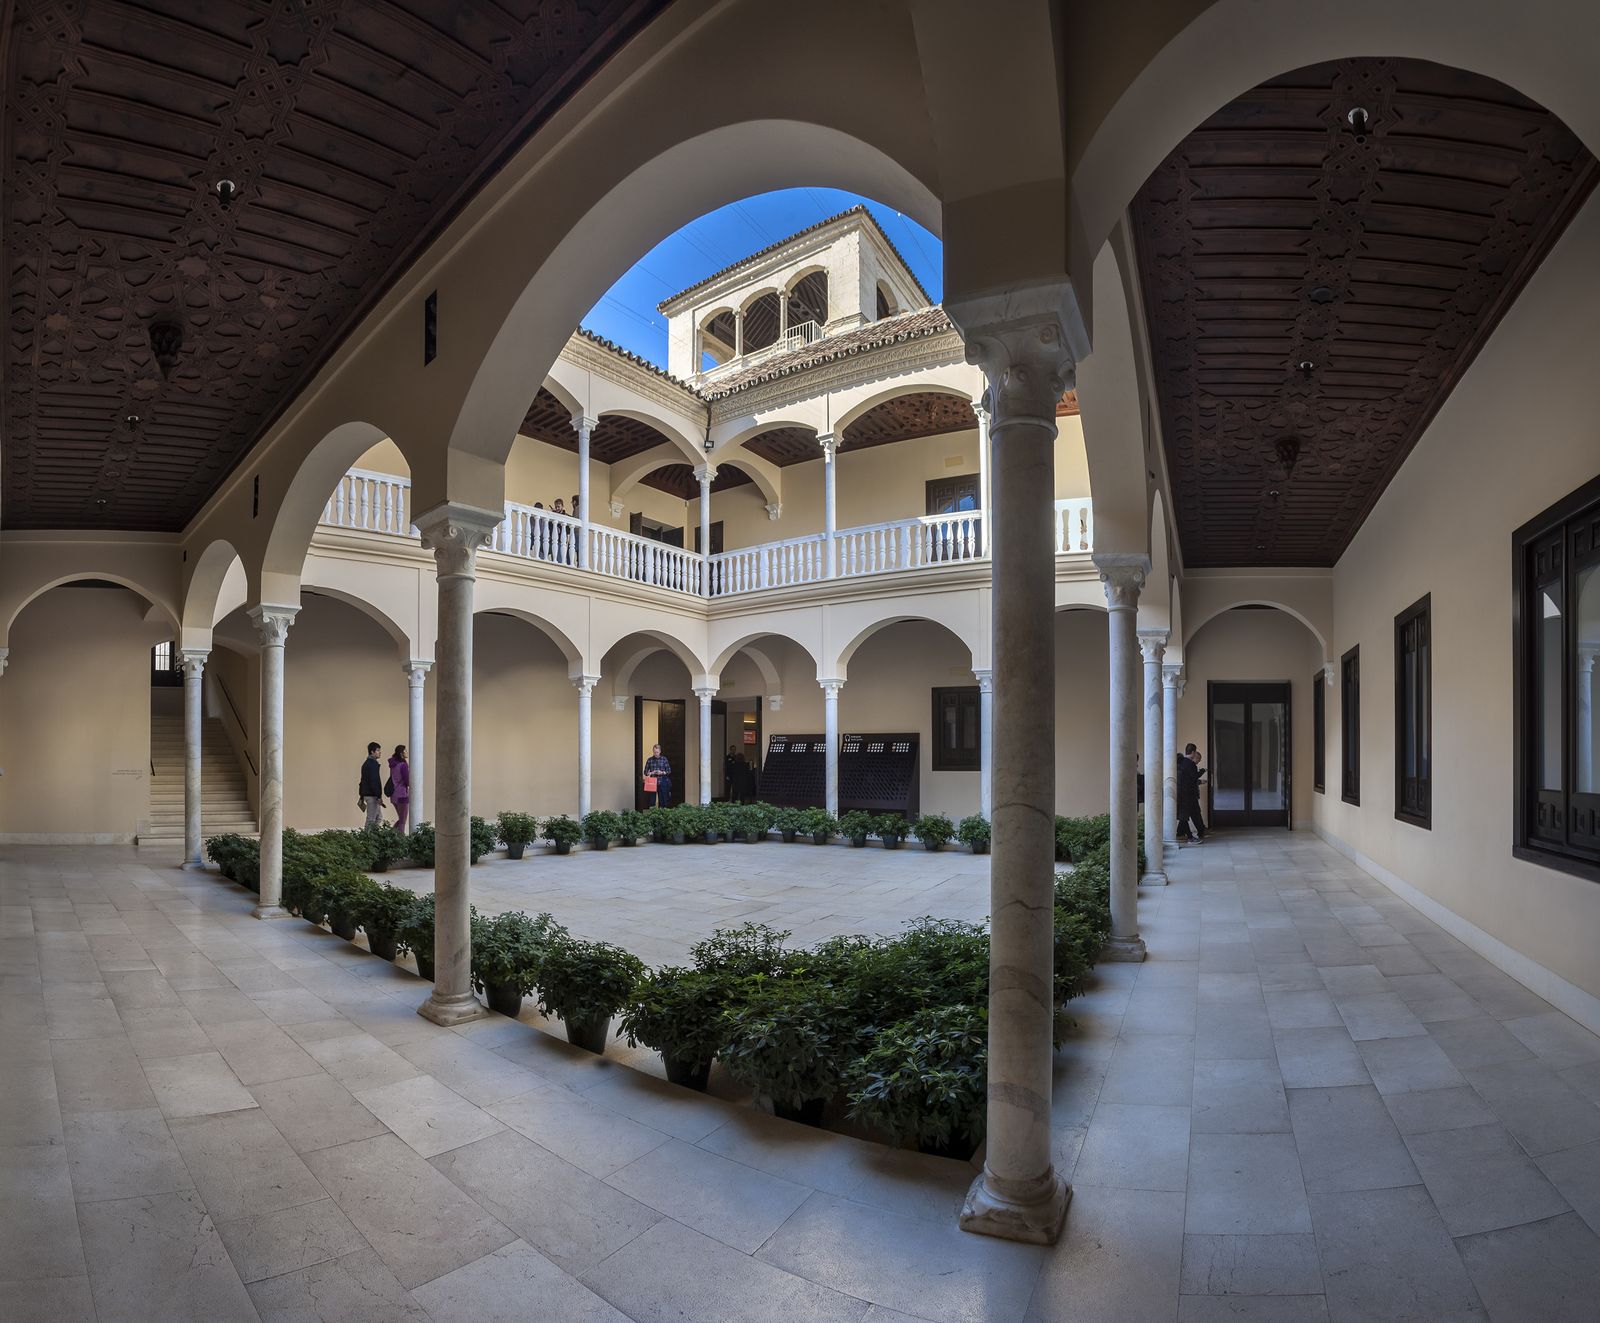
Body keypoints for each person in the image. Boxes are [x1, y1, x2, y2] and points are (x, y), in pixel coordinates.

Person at [1176, 742, 1206, 843]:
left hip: (1181, 793)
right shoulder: (1190, 764)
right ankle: (1190, 837)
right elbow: (1193, 778)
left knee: (1184, 816)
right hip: (1188, 795)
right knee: (1186, 816)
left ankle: (1183, 834)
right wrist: (1201, 772)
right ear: (1193, 752)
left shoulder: (1181, 762)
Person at [358, 741, 384, 826]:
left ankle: (373, 837)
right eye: (377, 750)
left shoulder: (367, 763)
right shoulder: (372, 764)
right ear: (372, 752)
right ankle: (367, 837)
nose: (380, 752)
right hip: (372, 795)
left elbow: (363, 781)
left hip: (369, 794)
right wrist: (379, 796)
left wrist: (361, 796)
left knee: (378, 817)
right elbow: (374, 781)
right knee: (371, 819)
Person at [386, 744, 410, 834]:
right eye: (405, 751)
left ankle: (391, 835)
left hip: (394, 795)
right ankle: (401, 840)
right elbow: (407, 781)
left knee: (401, 819)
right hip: (402, 795)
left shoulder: (393, 765)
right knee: (403, 821)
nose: (407, 752)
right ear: (401, 753)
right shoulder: (403, 765)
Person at [643, 743, 673, 808]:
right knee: (652, 801)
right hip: (652, 782)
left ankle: (662, 814)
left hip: (662, 781)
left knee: (663, 800)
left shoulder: (664, 759)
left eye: (657, 752)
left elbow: (669, 771)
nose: (655, 753)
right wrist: (650, 773)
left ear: (660, 751)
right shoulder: (649, 760)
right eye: (654, 752)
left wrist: (662, 772)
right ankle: (653, 815)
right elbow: (645, 772)